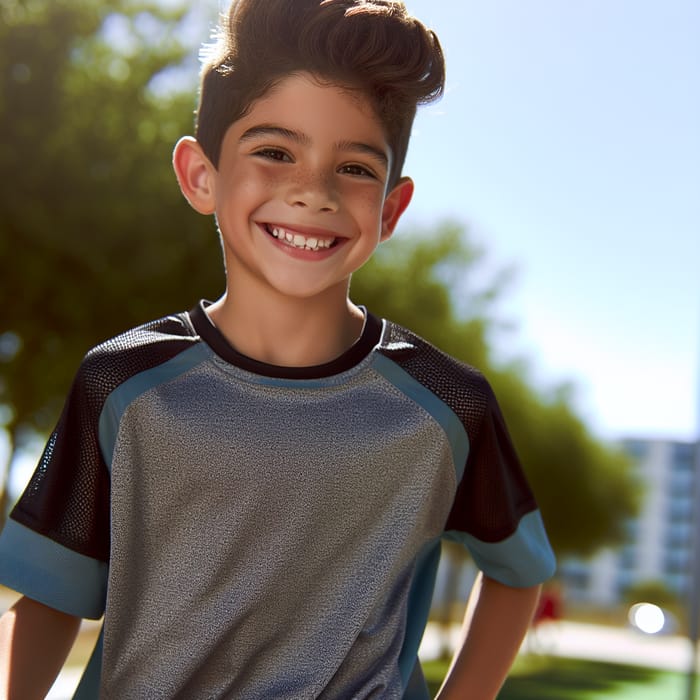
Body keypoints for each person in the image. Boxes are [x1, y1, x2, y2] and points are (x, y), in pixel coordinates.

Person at [0, 0, 556, 697]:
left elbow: (518, 572)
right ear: (201, 175)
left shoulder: (449, 403)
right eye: (274, 152)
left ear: (390, 210)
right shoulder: (120, 381)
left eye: (354, 168)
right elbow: (50, 596)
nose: (312, 192)